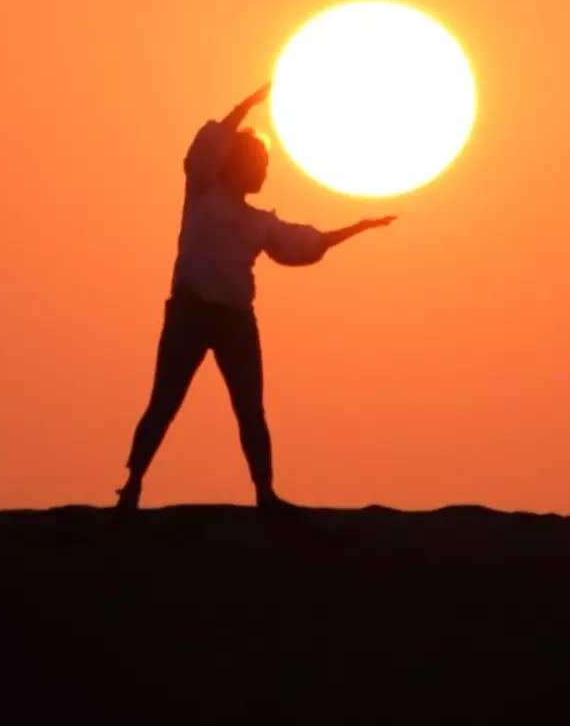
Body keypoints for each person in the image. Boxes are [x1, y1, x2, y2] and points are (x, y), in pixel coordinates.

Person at [116, 83, 394, 511]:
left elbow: (304, 243)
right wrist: (245, 106)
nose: (264, 172)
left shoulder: (258, 224)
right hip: (190, 312)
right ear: (236, 165)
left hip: (235, 321)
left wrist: (357, 227)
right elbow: (207, 148)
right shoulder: (203, 192)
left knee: (250, 409)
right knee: (165, 402)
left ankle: (265, 493)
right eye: (259, 163)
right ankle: (132, 487)